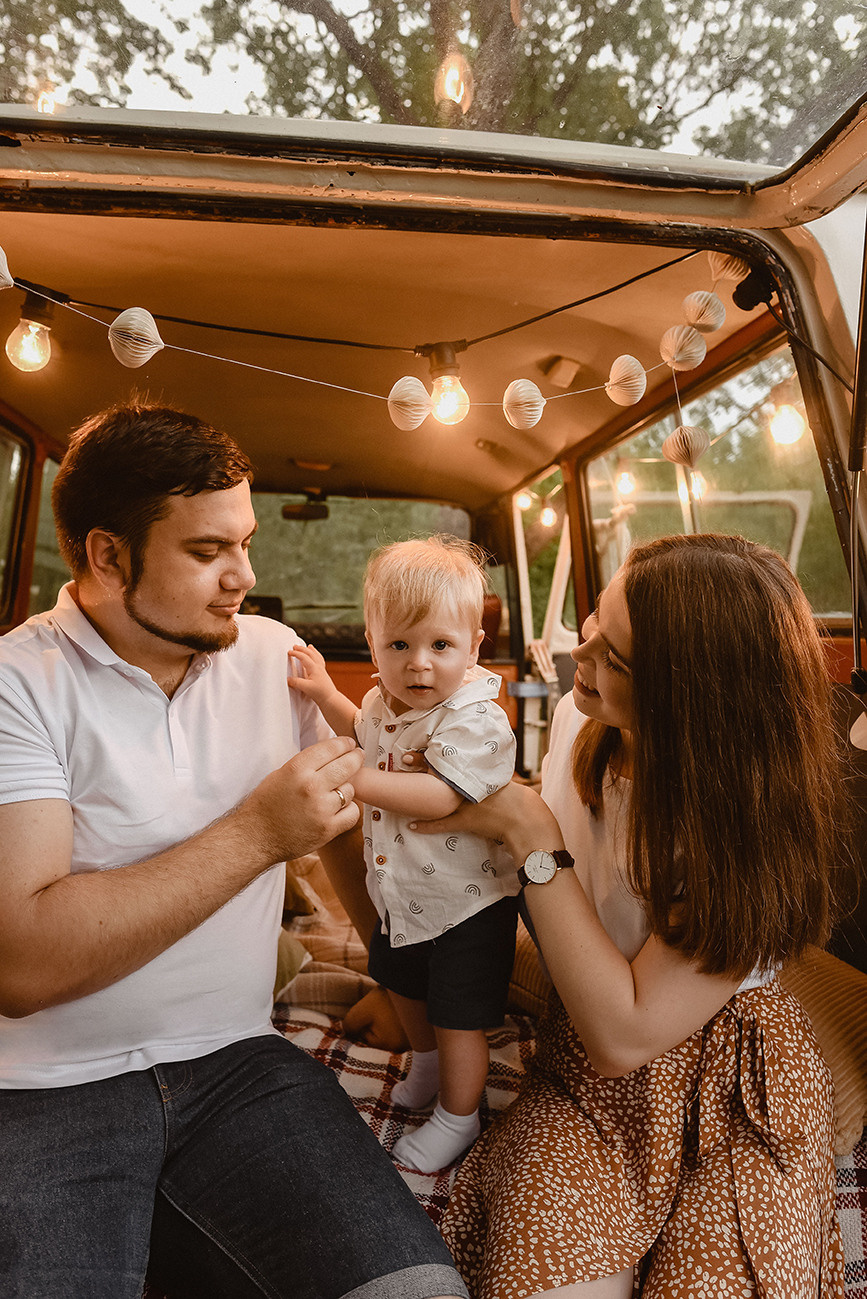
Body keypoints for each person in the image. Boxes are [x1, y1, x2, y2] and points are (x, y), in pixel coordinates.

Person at [0, 403, 469, 1299]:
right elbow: (21, 962)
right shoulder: (17, 684)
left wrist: (401, 983)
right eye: (208, 551)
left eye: (245, 543)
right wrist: (259, 832)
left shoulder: (275, 658)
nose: (243, 576)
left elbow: (340, 841)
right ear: (106, 554)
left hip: (237, 1063)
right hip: (41, 1088)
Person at [413, 533, 847, 1298]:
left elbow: (627, 1030)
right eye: (594, 622)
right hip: (584, 1072)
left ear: (692, 699)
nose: (581, 655)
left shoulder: (741, 816)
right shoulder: (583, 728)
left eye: (615, 658)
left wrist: (532, 838)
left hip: (732, 1081)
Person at [287, 536, 519, 1174]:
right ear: (373, 644)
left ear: (474, 647)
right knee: (404, 987)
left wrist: (349, 779)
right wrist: (324, 694)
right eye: (399, 646)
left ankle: (459, 1116)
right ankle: (426, 1065)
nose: (419, 665)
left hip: (467, 908)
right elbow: (359, 733)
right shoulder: (381, 703)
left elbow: (440, 797)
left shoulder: (476, 719)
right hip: (404, 896)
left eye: (440, 646)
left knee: (457, 1017)